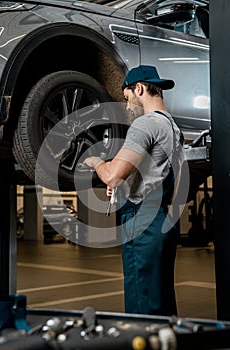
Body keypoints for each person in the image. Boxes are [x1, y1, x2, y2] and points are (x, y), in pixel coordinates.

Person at [83, 65, 184, 316]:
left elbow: (112, 175)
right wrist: (128, 187)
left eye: (127, 98)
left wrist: (95, 161)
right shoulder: (173, 127)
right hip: (162, 218)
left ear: (138, 88)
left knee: (142, 307)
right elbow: (165, 177)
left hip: (142, 222)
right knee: (159, 302)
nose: (127, 106)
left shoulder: (145, 125)